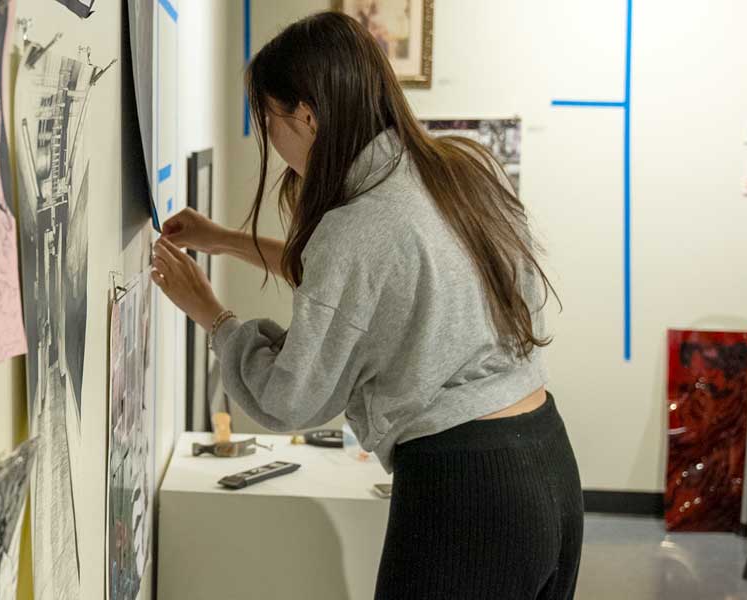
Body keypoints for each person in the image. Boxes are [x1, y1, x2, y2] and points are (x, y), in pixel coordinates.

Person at [150, 12, 583, 600]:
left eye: (269, 119)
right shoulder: (461, 170)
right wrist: (224, 239)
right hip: (548, 463)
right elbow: (378, 289)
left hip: (468, 489)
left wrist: (214, 316)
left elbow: (289, 399)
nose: (270, 141)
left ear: (307, 114)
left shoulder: (355, 229)